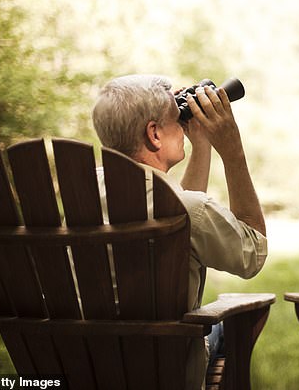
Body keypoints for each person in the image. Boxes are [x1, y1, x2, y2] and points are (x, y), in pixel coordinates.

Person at [92, 74, 267, 389]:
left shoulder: (86, 194)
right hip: (166, 372)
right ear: (154, 134)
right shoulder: (190, 209)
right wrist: (232, 152)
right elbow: (251, 253)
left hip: (89, 367)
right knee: (238, 322)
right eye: (178, 117)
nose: (183, 124)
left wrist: (200, 144)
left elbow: (177, 216)